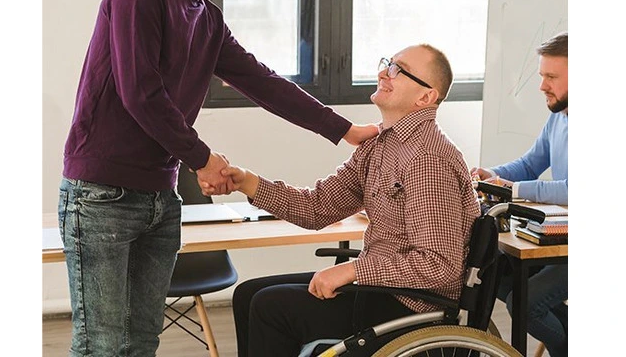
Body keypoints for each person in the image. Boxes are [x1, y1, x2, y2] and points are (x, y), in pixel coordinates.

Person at [58, 0, 378, 357]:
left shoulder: (207, 18)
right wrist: (203, 159)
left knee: (142, 342)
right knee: (101, 346)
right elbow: (141, 93)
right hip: (102, 195)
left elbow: (263, 82)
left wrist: (344, 129)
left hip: (160, 197)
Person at [202, 44, 481, 356]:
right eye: (388, 64)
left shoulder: (427, 159)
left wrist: (353, 271)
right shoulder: (379, 144)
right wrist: (246, 181)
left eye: (397, 70)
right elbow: (317, 208)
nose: (383, 73)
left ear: (425, 97)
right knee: (248, 294)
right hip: (383, 289)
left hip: (413, 305)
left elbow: (439, 265)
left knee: (270, 307)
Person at [470, 31, 568, 357]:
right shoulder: (559, 118)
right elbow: (530, 164)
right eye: (542, 75)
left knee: (525, 303)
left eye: (551, 77)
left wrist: (512, 189)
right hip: (562, 237)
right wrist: (492, 175)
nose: (542, 86)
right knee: (492, 273)